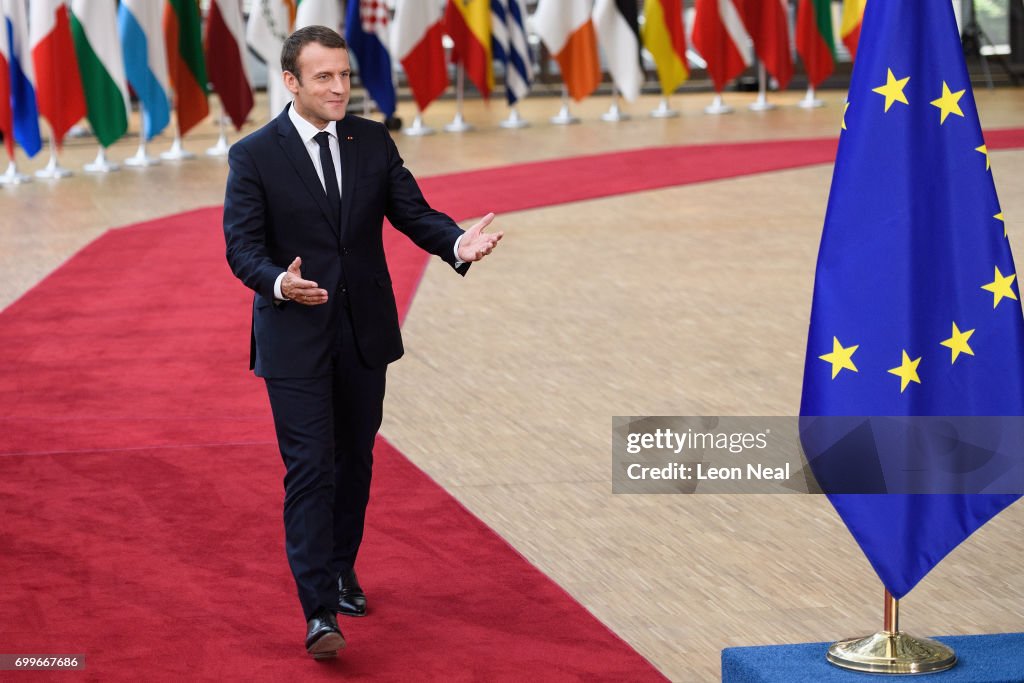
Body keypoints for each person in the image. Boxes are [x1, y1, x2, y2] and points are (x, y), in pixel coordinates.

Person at [223, 25, 502, 659]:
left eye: (345, 75)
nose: (340, 87)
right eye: (325, 77)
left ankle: (342, 567)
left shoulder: (371, 139)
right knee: (311, 469)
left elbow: (412, 211)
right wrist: (277, 283)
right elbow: (241, 248)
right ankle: (319, 611)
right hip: (295, 337)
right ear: (291, 82)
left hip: (363, 334)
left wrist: (456, 243)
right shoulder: (254, 155)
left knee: (354, 460)